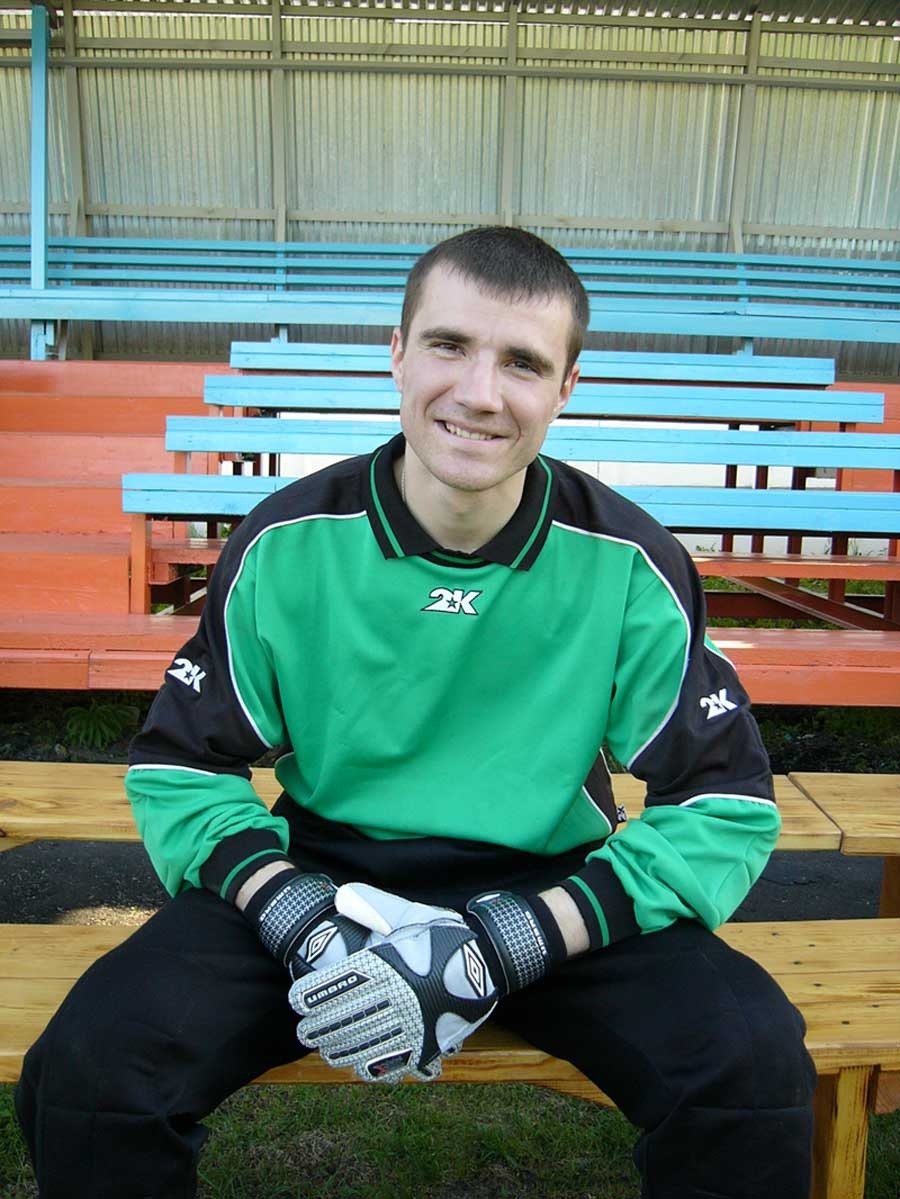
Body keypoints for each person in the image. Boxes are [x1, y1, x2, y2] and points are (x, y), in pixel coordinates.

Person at [15, 226, 816, 1198]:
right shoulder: (287, 541)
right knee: (96, 1067)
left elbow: (725, 803)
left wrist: (505, 943)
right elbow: (183, 770)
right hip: (324, 876)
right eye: (449, 345)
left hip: (549, 888)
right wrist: (302, 918)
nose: (480, 392)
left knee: (750, 1064)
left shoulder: (630, 561)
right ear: (396, 353)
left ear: (566, 386)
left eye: (523, 362)